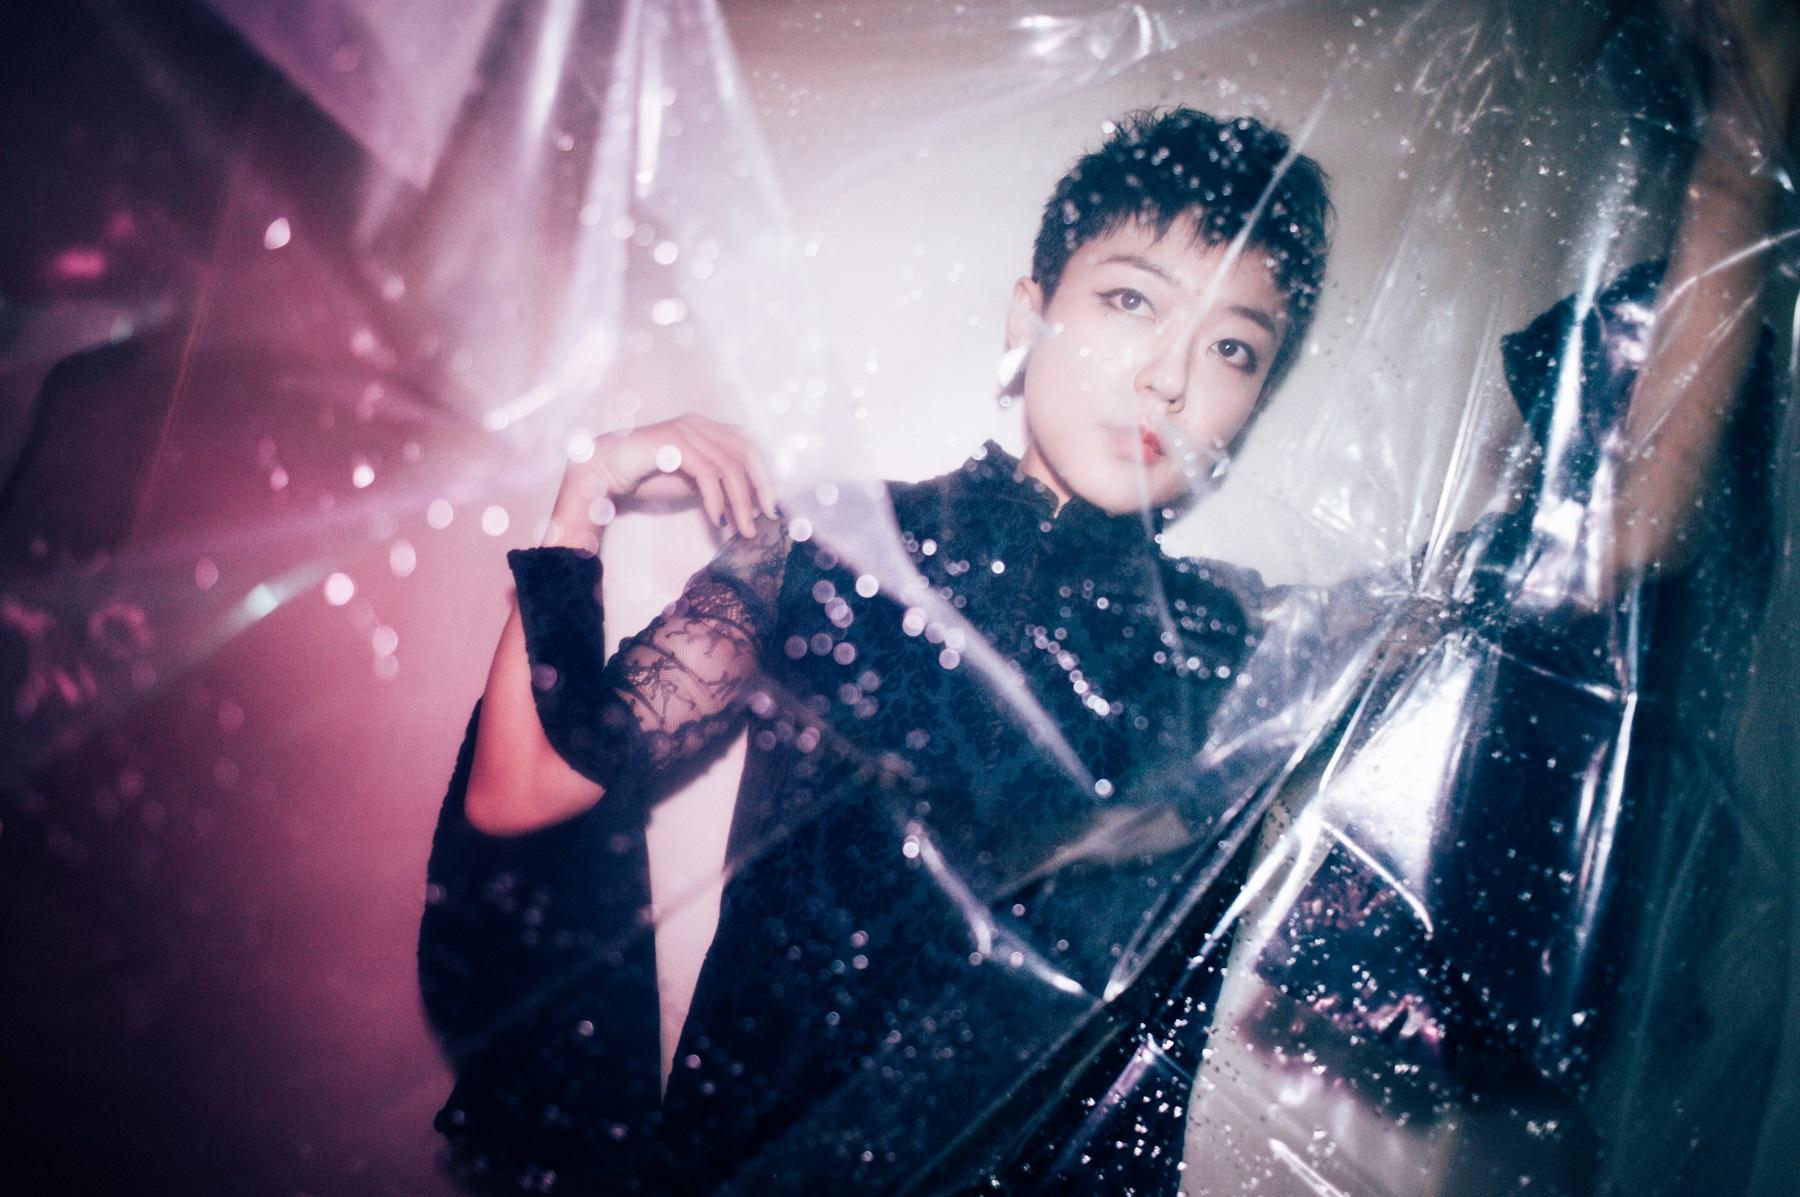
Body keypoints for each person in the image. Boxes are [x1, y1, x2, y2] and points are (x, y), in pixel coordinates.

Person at [420, 18, 1795, 1190]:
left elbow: (1596, 550)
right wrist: (581, 500)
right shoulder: (839, 555)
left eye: (1235, 346)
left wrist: (1746, 146)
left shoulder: (1251, 653)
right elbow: (532, 793)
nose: (1169, 377)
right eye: (1134, 300)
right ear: (1029, 314)